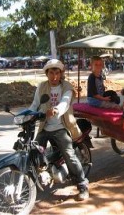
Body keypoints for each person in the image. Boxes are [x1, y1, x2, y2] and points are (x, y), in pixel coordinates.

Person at [29, 59, 89, 201]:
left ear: (61, 74)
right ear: (46, 73)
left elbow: (65, 102)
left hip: (62, 127)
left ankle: (82, 185)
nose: (54, 76)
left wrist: (57, 110)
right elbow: (34, 105)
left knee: (70, 155)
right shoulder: (41, 87)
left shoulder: (66, 86)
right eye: (51, 73)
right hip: (45, 127)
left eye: (57, 73)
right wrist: (23, 117)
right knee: (33, 154)